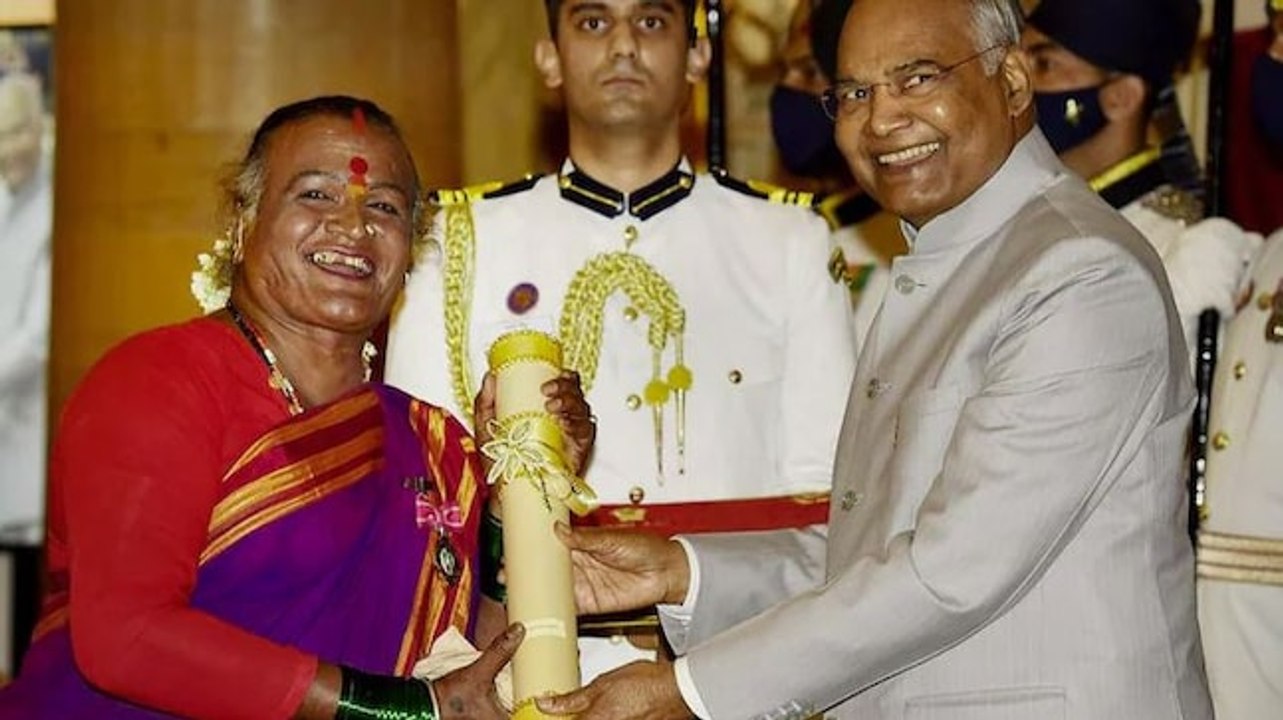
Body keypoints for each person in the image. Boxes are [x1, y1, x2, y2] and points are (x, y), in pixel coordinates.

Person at [534, 0, 1212, 717]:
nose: (881, 119)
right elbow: (880, 548)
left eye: (917, 78)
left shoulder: (1075, 272)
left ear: (1012, 82)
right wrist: (682, 572)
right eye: (854, 93)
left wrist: (691, 691)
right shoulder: (950, 260)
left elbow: (953, 568)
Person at [0, 95, 597, 720]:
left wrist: (521, 498)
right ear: (244, 219)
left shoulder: (434, 444)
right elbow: (126, 639)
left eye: (386, 207)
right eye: (315, 195)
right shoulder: (158, 382)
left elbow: (476, 670)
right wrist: (395, 711)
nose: (353, 224)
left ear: (410, 252)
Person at [385, 0, 856, 681]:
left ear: (697, 55)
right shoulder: (457, 241)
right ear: (548, 57)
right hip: (528, 668)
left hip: (732, 666)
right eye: (593, 22)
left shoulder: (789, 241)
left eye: (653, 21)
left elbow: (827, 500)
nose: (625, 46)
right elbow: (420, 497)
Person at [1022, 0, 1261, 358]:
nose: (1015, 86)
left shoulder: (1185, 255)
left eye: (1043, 64)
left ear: (1121, 97)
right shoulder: (1009, 223)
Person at [771, 0, 899, 346]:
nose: (786, 88)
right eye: (782, 71)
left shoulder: (904, 238)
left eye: (809, 73)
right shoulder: (776, 228)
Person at [0, 33, 52, 544]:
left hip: (28, 423)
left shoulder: (55, 209)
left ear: (38, 130)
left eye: (17, 132)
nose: (7, 148)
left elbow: (36, 342)